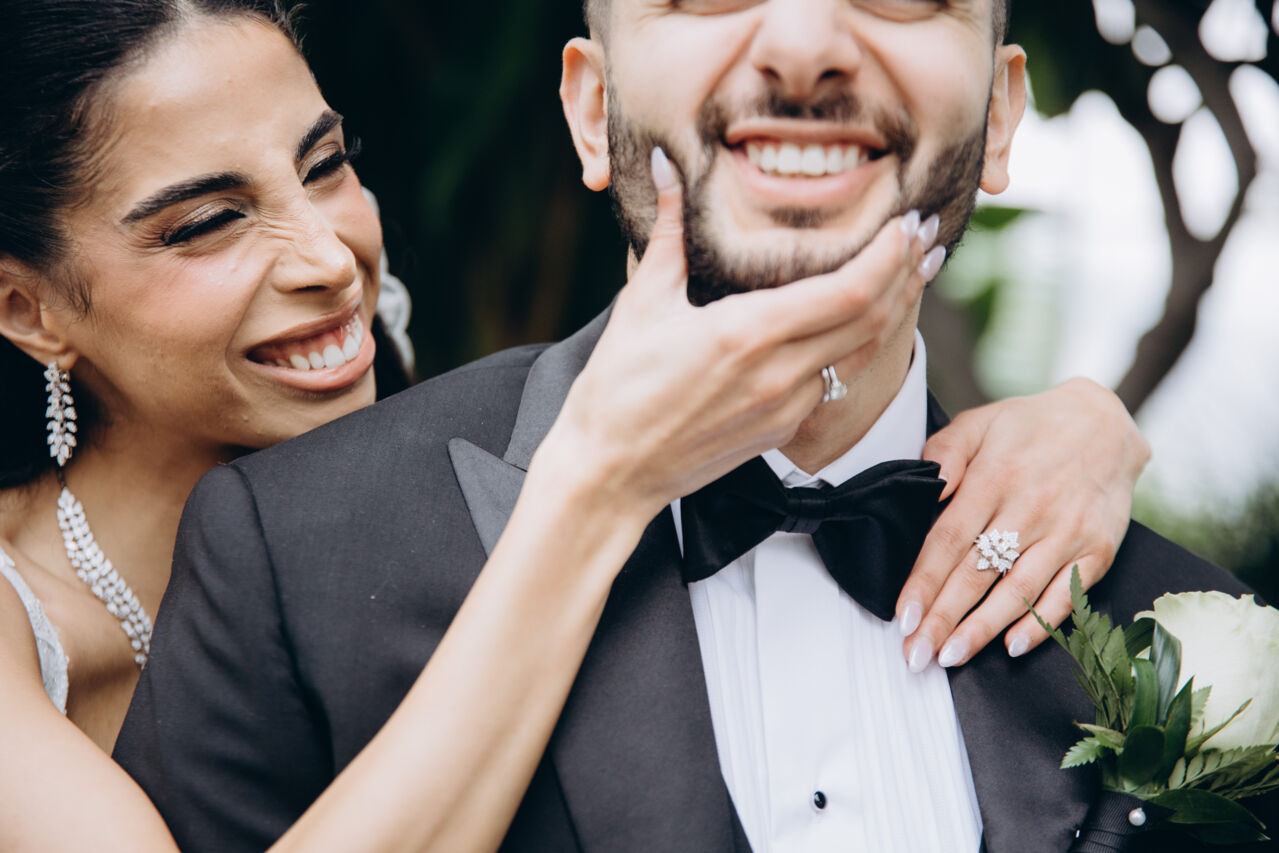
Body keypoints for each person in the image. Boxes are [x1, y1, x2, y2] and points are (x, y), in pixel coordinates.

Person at [106, 2, 1273, 852]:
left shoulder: (1192, 638)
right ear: (592, 108)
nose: (806, 43)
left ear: (1002, 115)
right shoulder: (289, 556)